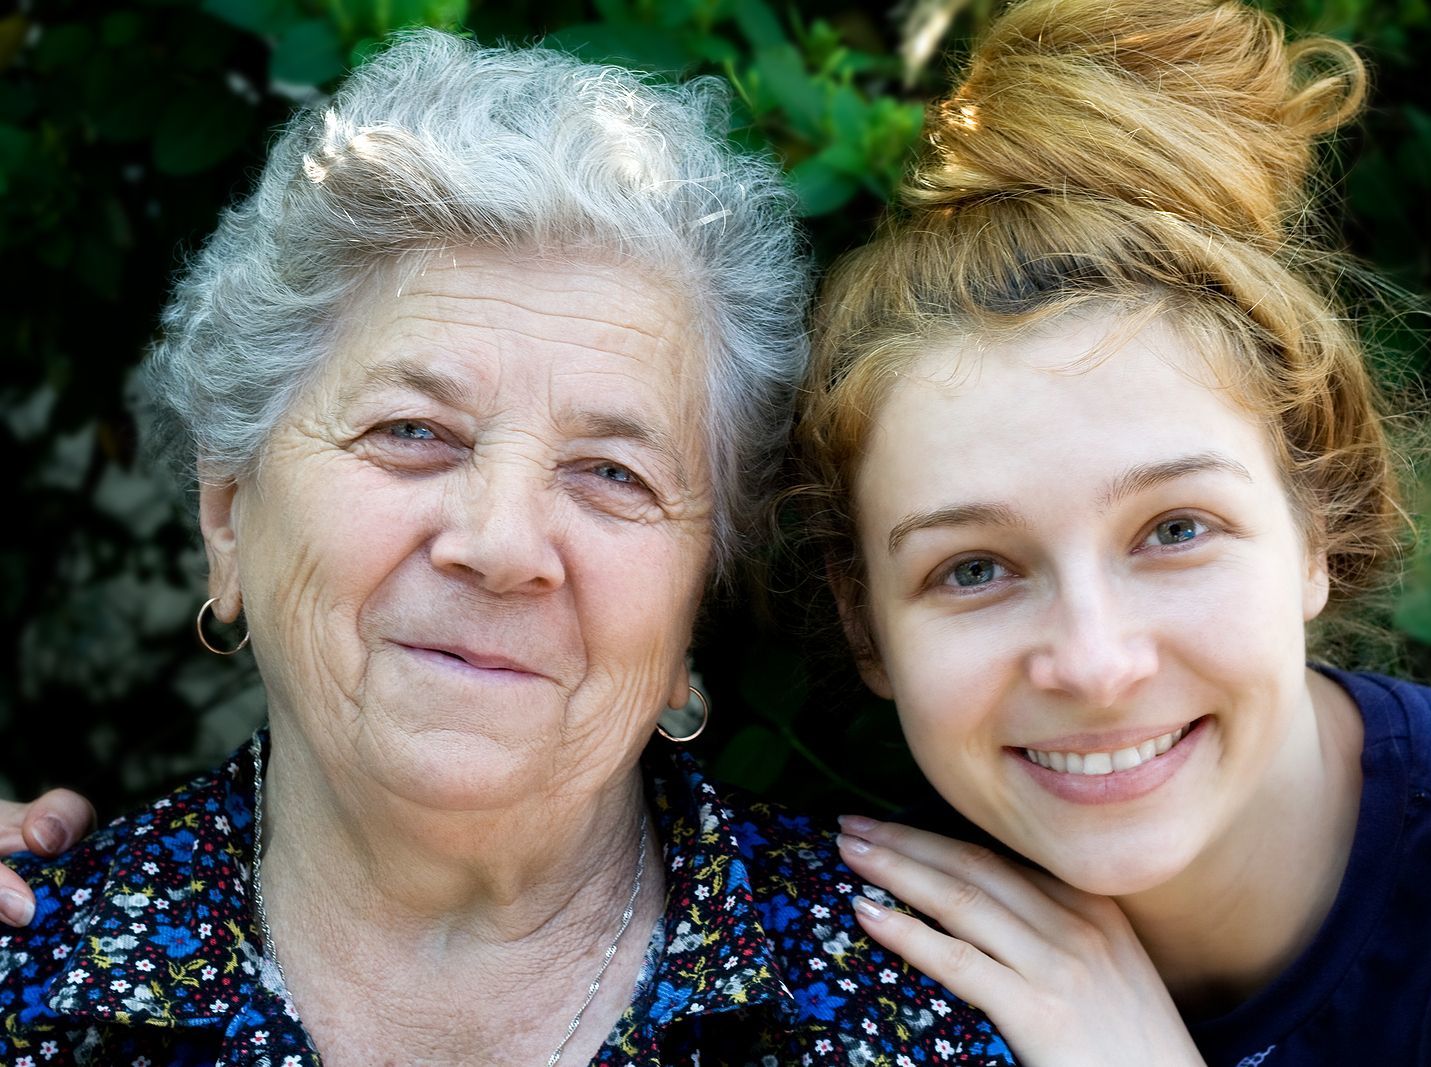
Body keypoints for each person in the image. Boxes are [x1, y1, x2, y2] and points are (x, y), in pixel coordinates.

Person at [0, 30, 1012, 1066]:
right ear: (228, 512)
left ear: (695, 600)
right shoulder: (26, 991)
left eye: (612, 472)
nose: (500, 543)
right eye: (413, 433)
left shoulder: (948, 1010)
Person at [791, 0, 1431, 1063]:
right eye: (973, 567)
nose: (1095, 662)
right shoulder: (838, 956)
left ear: (1316, 527)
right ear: (866, 625)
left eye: (1174, 529)